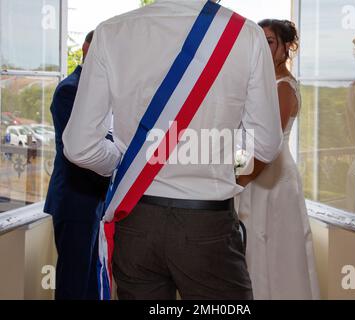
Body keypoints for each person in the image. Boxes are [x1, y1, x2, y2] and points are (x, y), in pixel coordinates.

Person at [63, 0, 283, 300]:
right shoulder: (245, 34)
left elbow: (79, 147)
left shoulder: (111, 32)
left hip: (136, 217)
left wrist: (128, 161)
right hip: (207, 223)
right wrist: (218, 150)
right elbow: (267, 145)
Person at [238, 19, 320, 300]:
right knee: (253, 248)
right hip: (254, 172)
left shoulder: (283, 87)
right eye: (259, 41)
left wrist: (242, 178)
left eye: (270, 41)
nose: (264, 47)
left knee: (276, 251)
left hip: (272, 176)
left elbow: (269, 143)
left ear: (287, 48)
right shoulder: (260, 84)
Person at [44, 31, 110, 300]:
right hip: (74, 200)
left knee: (91, 278)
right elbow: (83, 147)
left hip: (92, 201)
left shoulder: (97, 90)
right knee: (73, 281)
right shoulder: (70, 90)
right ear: (85, 48)